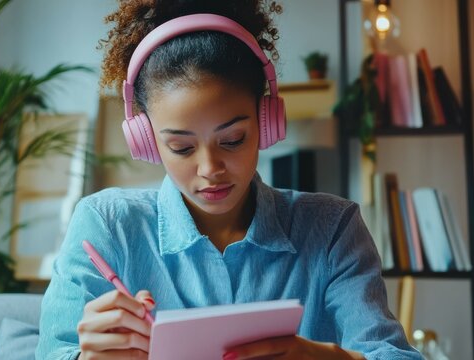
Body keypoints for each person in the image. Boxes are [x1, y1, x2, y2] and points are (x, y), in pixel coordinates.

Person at [36, 1, 423, 359]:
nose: (210, 169)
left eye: (233, 139)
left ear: (267, 121)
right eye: (181, 148)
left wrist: (329, 358)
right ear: (147, 141)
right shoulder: (106, 226)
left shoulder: (333, 229)